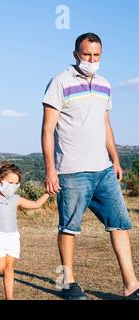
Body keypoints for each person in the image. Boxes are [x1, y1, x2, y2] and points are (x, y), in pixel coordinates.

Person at [42, 33, 139, 300]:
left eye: (97, 56)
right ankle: (68, 283)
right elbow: (47, 129)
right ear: (76, 54)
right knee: (69, 227)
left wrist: (116, 160)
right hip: (72, 170)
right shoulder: (59, 82)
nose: (92, 60)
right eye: (87, 55)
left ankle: (131, 285)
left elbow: (105, 125)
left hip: (104, 169)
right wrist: (51, 169)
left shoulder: (106, 84)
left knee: (119, 224)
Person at [0, 162, 50, 300]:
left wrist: (48, 193)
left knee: (9, 267)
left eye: (16, 183)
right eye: (10, 182)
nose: (12, 186)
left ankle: (10, 297)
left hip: (13, 237)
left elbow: (36, 204)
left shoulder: (16, 199)